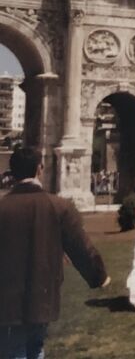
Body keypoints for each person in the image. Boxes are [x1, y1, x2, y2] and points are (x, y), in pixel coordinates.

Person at [0, 147, 110, 358]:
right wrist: (99, 276)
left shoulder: (3, 207)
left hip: (6, 297)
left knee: (13, 350)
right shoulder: (59, 206)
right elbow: (80, 246)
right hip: (43, 294)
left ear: (12, 173)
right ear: (39, 169)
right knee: (37, 346)